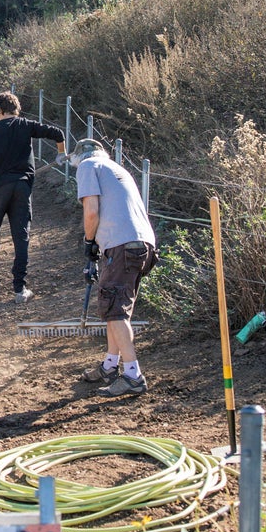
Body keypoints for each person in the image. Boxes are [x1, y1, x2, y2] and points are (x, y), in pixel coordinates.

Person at [72, 139, 157, 397]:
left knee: (115, 311)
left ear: (80, 157)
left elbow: (91, 211)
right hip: (142, 243)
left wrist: (89, 242)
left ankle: (133, 375)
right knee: (116, 309)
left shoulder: (88, 166)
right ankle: (110, 365)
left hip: (121, 244)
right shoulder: (117, 170)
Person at [0, 91, 65, 304]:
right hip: (22, 187)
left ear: (0, 111)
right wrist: (61, 154)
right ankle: (20, 289)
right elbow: (58, 133)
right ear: (16, 110)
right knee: (21, 237)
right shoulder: (26, 125)